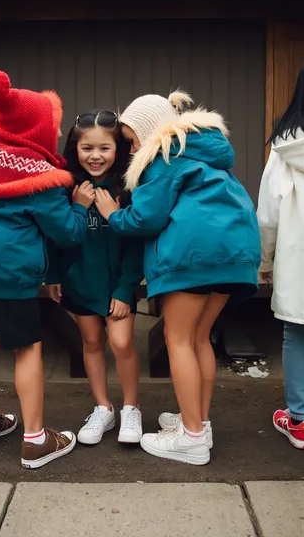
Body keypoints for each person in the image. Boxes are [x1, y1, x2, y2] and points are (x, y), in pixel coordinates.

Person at [95, 91, 261, 465]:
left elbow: (144, 219)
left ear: (151, 130)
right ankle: (198, 422)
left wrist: (110, 214)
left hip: (194, 254)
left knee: (179, 339)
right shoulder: (205, 152)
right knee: (200, 337)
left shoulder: (164, 155)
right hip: (235, 253)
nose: (133, 146)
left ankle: (190, 439)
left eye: (132, 138)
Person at [0, 70, 93, 469]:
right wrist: (79, 205)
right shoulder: (41, 180)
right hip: (8, 273)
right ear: (37, 130)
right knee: (28, 348)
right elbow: (68, 233)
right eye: (54, 125)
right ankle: (36, 439)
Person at [46, 110, 144, 445]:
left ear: (118, 149)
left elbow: (136, 245)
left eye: (105, 148)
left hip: (117, 285)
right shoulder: (66, 186)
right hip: (80, 280)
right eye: (87, 148)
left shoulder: (128, 187)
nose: (96, 156)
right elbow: (58, 237)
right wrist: (54, 274)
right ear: (75, 148)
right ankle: (103, 407)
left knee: (121, 342)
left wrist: (127, 288)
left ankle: (131, 408)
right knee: (90, 343)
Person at [257, 52, 304, 450]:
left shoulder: (287, 148)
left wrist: (265, 262)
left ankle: (300, 421)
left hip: (303, 261)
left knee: (297, 335)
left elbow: (268, 215)